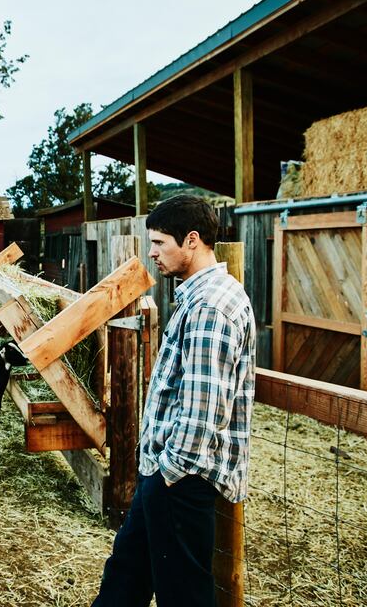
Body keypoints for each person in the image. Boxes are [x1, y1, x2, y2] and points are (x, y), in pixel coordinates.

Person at [93, 195, 256, 607]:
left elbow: (204, 411)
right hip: (165, 474)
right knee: (125, 574)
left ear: (192, 241)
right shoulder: (202, 296)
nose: (152, 252)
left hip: (182, 479)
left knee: (182, 594)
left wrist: (168, 472)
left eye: (160, 243)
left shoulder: (210, 308)